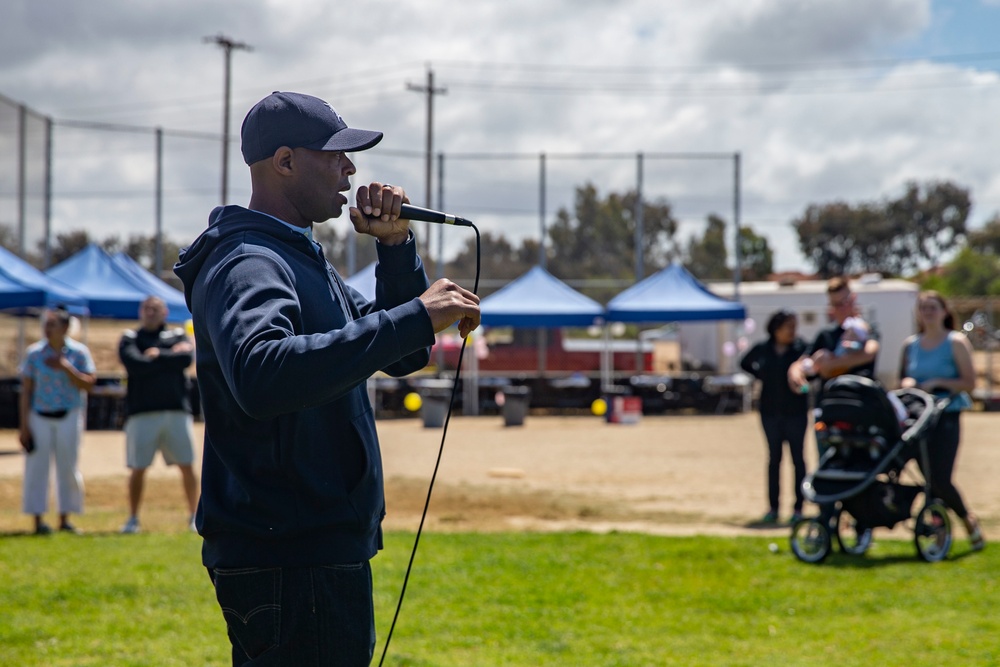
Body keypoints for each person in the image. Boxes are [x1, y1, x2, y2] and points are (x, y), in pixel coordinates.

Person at [173, 91, 481, 666]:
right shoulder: (249, 259)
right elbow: (263, 374)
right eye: (336, 154)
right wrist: (415, 315)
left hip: (306, 549)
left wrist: (395, 250)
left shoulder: (298, 255)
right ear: (285, 162)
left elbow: (401, 356)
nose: (351, 169)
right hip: (290, 553)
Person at [899, 291, 985, 551]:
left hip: (946, 415)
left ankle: (967, 520)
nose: (928, 312)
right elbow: (901, 381)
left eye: (933, 307)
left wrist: (938, 383)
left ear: (944, 311)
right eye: (923, 307)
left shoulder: (955, 342)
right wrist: (909, 384)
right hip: (918, 418)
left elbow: (970, 383)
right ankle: (939, 530)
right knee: (928, 479)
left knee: (941, 478)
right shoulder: (910, 345)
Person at [117, 295, 198, 534]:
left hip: (176, 411)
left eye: (155, 309)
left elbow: (185, 359)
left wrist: (157, 355)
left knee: (187, 465)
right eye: (146, 308)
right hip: (141, 413)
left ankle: (194, 515)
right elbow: (134, 364)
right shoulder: (130, 337)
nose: (150, 312)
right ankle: (133, 518)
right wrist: (167, 357)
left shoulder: (177, 334)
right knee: (138, 468)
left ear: (164, 312)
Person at [18, 306, 96, 535]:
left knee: (67, 467)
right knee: (36, 469)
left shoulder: (78, 353)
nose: (47, 329)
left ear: (64, 328)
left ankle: (65, 518)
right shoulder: (34, 354)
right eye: (45, 324)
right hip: (39, 416)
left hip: (69, 415)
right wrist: (24, 426)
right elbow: (26, 391)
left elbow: (89, 384)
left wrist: (66, 368)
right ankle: (38, 520)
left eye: (52, 324)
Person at [740, 310, 810, 525]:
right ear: (775, 328)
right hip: (770, 412)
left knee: (798, 460)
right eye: (788, 326)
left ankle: (798, 508)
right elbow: (744, 363)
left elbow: (811, 370)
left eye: (794, 326)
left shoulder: (801, 349)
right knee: (774, 460)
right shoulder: (763, 349)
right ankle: (773, 507)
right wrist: (761, 375)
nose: (792, 331)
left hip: (796, 413)